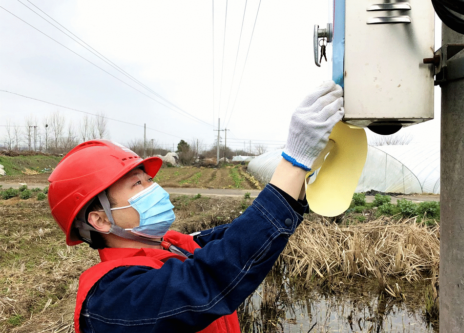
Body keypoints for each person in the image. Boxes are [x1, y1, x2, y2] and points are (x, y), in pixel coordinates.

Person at [48, 81, 344, 333]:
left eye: (149, 179)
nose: (155, 188)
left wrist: (302, 179)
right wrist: (292, 163)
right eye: (137, 184)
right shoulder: (111, 299)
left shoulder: (169, 248)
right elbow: (210, 278)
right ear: (100, 220)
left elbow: (238, 238)